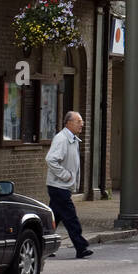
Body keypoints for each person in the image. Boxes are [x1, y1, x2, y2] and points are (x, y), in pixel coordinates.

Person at [45, 111, 93, 259]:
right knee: (71, 218)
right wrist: (65, 176)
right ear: (68, 123)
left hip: (61, 186)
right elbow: (51, 159)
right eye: (79, 121)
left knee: (53, 218)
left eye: (82, 121)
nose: (82, 124)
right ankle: (81, 246)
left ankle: (43, 245)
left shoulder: (72, 139)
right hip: (59, 186)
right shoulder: (61, 139)